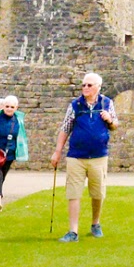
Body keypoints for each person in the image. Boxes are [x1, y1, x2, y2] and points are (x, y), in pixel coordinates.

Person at [51, 72, 119, 241]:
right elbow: (65, 128)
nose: (85, 88)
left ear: (98, 87)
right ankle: (73, 231)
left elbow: (115, 125)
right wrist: (57, 151)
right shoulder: (75, 105)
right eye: (83, 85)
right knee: (73, 193)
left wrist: (109, 120)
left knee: (97, 193)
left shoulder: (106, 103)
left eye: (89, 85)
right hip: (76, 156)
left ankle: (95, 223)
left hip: (98, 156)